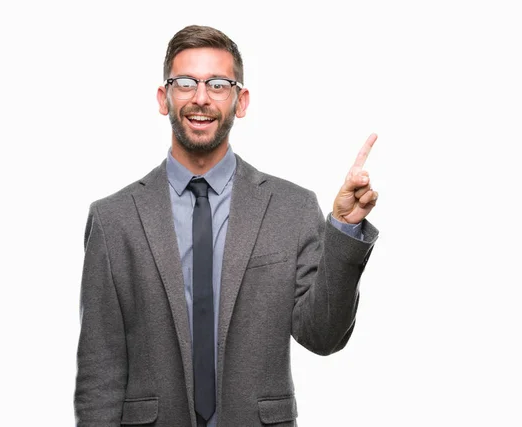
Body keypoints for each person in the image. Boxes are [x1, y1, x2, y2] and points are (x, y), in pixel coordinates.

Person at [74, 25, 379, 427]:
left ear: (241, 99)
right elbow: (100, 370)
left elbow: (323, 336)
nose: (201, 98)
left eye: (218, 84)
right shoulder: (114, 219)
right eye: (185, 83)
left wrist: (342, 229)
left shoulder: (291, 207)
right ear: (164, 98)